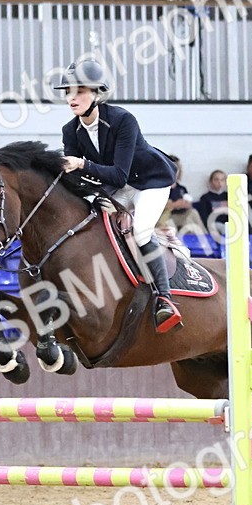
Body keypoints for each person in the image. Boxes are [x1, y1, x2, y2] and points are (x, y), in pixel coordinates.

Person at [54, 58, 182, 333]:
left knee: (141, 232)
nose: (71, 98)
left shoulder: (123, 120)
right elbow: (77, 178)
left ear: (97, 93)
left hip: (150, 182)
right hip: (118, 187)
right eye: (68, 92)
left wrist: (82, 164)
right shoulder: (70, 131)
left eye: (79, 91)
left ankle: (164, 298)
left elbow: (119, 175)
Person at [158, 156, 206, 237]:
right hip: (167, 217)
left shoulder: (181, 188)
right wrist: (174, 204)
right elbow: (156, 207)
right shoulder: (160, 187)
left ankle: (206, 237)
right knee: (170, 224)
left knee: (192, 214)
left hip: (181, 215)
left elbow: (189, 204)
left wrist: (186, 204)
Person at [195, 169, 230, 237]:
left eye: (222, 180)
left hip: (228, 224)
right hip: (214, 224)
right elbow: (204, 216)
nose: (219, 182)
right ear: (211, 182)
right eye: (216, 180)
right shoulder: (205, 198)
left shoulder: (229, 196)